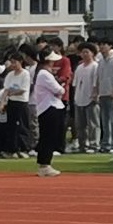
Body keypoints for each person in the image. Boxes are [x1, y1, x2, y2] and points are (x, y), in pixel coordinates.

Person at [32, 47, 67, 177]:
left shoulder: (44, 73)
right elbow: (59, 90)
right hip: (49, 108)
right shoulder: (44, 74)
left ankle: (45, 163)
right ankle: (44, 164)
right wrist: (60, 89)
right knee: (48, 137)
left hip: (50, 107)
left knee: (49, 136)